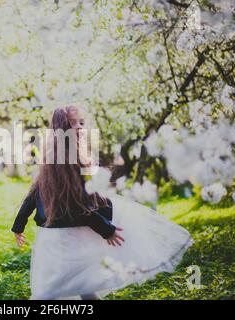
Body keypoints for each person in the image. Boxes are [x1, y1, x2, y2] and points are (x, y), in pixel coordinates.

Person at [11, 105, 193, 300]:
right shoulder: (68, 161)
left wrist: (18, 224)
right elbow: (74, 204)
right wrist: (106, 229)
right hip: (66, 236)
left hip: (56, 237)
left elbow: (36, 192)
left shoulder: (54, 158)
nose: (80, 127)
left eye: (81, 122)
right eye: (73, 123)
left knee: (73, 285)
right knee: (58, 289)